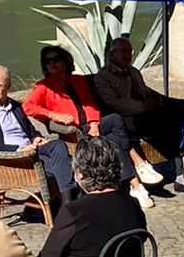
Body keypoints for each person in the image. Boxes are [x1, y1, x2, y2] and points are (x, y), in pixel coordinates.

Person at [24, 45, 154, 204]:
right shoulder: (44, 86)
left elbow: (90, 103)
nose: (51, 64)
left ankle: (136, 185)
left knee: (114, 137)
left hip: (89, 125)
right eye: (47, 61)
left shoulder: (78, 80)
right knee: (115, 120)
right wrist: (53, 114)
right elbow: (28, 107)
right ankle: (139, 164)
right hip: (74, 130)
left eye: (56, 60)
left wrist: (94, 125)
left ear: (65, 62)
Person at [0, 64, 77, 199]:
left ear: (8, 86)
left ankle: (66, 200)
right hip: (11, 158)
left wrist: (36, 138)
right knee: (67, 165)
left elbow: (30, 130)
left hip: (32, 150)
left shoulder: (15, 106)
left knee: (58, 145)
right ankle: (69, 201)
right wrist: (19, 150)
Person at [93, 32, 184, 166]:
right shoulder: (103, 77)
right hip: (127, 119)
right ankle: (181, 157)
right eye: (123, 51)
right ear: (112, 54)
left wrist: (152, 99)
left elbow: (144, 91)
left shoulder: (133, 72)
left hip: (144, 113)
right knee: (165, 121)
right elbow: (113, 102)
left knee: (180, 110)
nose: (127, 55)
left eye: (129, 52)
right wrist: (142, 106)